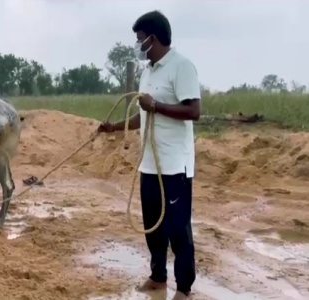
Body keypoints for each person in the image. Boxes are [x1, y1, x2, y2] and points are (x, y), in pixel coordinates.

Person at [98, 10, 201, 300]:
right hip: (149, 165)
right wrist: (113, 128)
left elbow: (194, 111)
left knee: (178, 230)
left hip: (174, 167)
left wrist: (155, 105)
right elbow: (143, 115)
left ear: (152, 39)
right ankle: (158, 277)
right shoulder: (149, 70)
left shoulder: (182, 67)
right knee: (151, 226)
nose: (137, 44)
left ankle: (184, 289)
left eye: (139, 39)